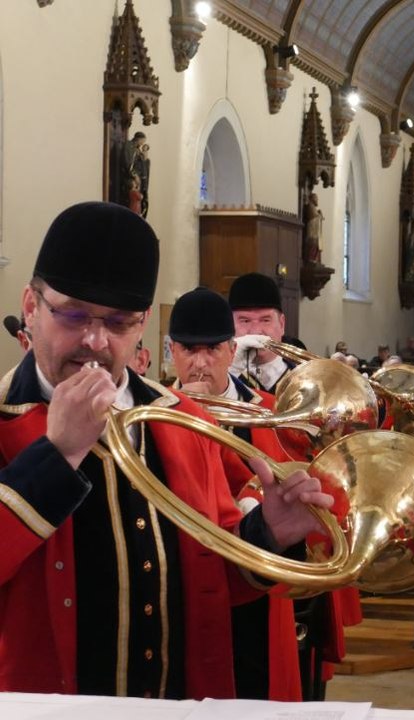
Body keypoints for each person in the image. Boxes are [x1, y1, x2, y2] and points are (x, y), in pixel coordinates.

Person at [0, 201, 332, 698]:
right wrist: (57, 455)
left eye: (118, 323)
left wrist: (265, 534)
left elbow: (208, 578)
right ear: (30, 305)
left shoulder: (181, 418)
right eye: (72, 315)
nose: (94, 340)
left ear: (143, 325)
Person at [167, 286, 303, 701]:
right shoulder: (151, 410)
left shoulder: (268, 411)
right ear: (171, 350)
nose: (201, 363)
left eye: (212, 350)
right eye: (189, 350)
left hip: (255, 581)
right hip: (182, 577)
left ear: (231, 349)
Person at [229, 272, 296, 394]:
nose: (256, 331)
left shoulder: (304, 380)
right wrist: (230, 372)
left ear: (282, 324)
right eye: (245, 321)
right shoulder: (218, 382)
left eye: (265, 320)